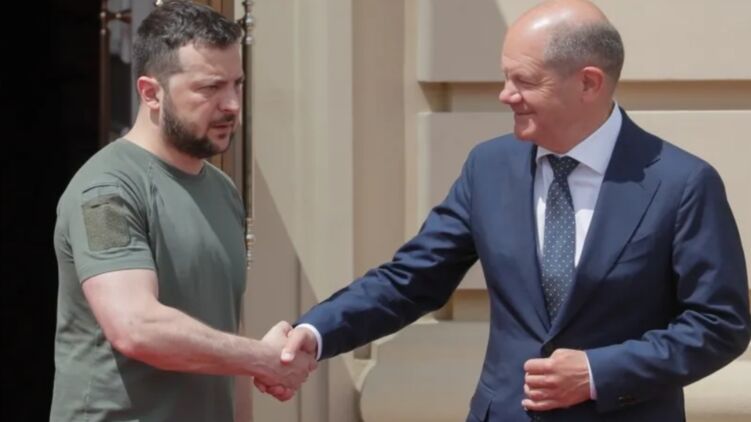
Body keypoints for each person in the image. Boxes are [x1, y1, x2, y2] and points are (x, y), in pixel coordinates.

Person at [262, 0, 751, 420]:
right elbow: (412, 279)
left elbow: (720, 324)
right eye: (505, 77)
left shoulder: (681, 184)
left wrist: (596, 372)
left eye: (524, 81)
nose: (505, 95)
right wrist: (316, 332)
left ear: (588, 83)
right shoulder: (489, 168)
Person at [50, 1, 315, 421]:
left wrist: (253, 367)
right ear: (150, 93)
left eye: (237, 84)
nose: (232, 104)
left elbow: (228, 334)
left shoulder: (222, 191)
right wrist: (262, 357)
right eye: (210, 88)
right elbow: (135, 327)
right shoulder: (106, 191)